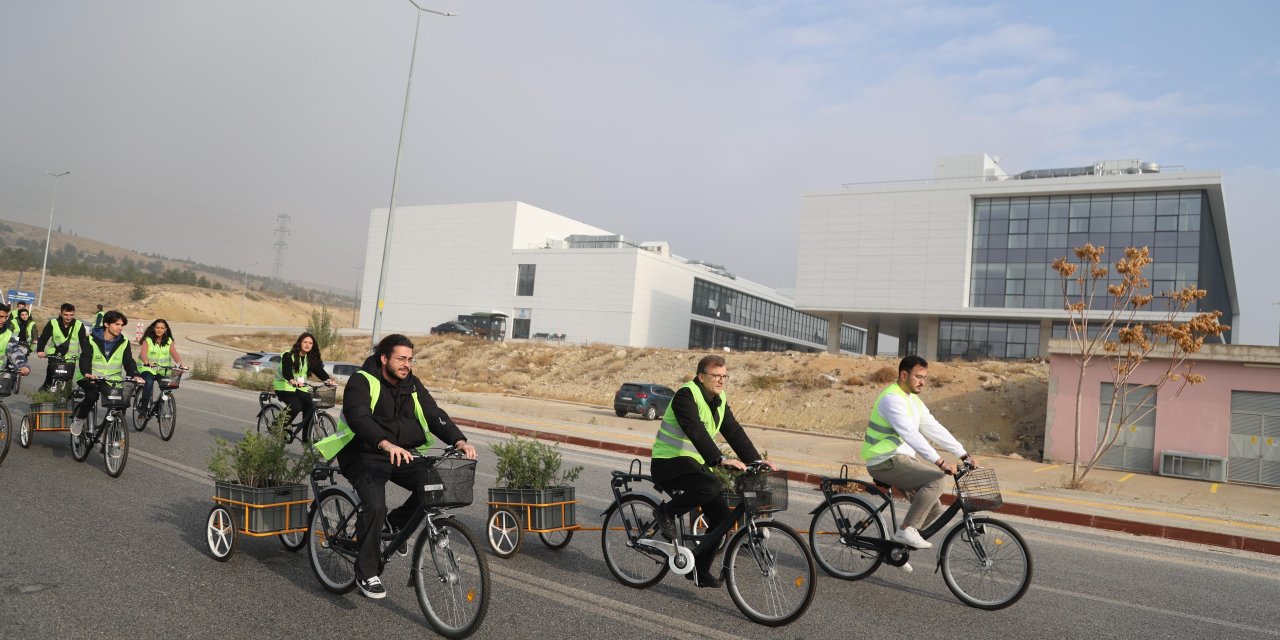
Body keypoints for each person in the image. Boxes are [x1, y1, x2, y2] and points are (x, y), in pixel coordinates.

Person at [314, 333, 477, 600]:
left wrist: (458, 440)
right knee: (375, 505)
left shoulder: (412, 384)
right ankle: (366, 573)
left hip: (399, 453)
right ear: (384, 358)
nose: (407, 364)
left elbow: (433, 413)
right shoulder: (361, 381)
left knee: (434, 486)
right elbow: (358, 416)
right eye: (401, 359)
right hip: (361, 453)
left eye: (410, 359)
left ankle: (392, 525)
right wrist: (385, 443)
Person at [650, 354, 777, 588]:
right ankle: (666, 512)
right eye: (716, 376)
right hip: (668, 462)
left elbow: (734, 431)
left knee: (721, 519)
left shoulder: (719, 399)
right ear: (701, 377)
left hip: (694, 466)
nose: (721, 380)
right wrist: (719, 459)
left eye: (724, 376)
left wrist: (756, 461)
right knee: (710, 485)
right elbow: (694, 429)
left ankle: (699, 570)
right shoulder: (686, 395)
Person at [861, 355, 973, 568]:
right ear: (904, 375)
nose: (923, 382)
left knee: (934, 508)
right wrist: (941, 463)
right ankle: (906, 530)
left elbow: (934, 428)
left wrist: (963, 454)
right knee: (938, 480)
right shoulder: (891, 399)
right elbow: (912, 435)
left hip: (901, 460)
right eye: (918, 377)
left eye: (925, 378)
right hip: (883, 460)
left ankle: (896, 549)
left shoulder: (913, 401)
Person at [70, 310, 144, 437]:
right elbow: (85, 358)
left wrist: (135, 374)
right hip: (89, 377)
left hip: (112, 379)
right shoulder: (91, 339)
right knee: (92, 396)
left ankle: (114, 432)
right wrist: (87, 372)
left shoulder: (124, 341)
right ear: (106, 324)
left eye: (122, 325)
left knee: (120, 403)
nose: (120, 328)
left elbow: (128, 361)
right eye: (117, 324)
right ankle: (79, 419)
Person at [272, 332, 336, 440]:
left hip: (300, 387)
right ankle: (278, 426)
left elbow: (319, 370)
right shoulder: (288, 355)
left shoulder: (309, 358)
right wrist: (292, 380)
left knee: (310, 407)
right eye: (305, 342)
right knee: (296, 406)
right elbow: (286, 371)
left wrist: (328, 380)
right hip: (283, 386)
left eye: (310, 343)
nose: (307, 344)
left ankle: (306, 440)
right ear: (299, 343)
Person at [136, 319, 185, 419]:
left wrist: (180, 364)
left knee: (166, 386)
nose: (159, 330)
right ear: (154, 328)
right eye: (157, 327)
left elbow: (174, 353)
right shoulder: (148, 340)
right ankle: (143, 409)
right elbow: (143, 353)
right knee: (149, 382)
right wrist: (146, 361)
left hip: (162, 369)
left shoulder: (169, 341)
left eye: (162, 328)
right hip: (147, 368)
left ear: (165, 330)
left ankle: (160, 407)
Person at [35, 303, 87, 392]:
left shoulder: (79, 325)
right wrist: (40, 350)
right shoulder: (53, 323)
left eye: (71, 315)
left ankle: (66, 401)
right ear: (61, 314)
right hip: (55, 356)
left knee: (68, 382)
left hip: (71, 358)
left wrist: (85, 355)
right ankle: (44, 392)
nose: (68, 317)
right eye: (66, 315)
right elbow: (43, 338)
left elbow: (84, 342)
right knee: (50, 378)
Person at [0, 304, 33, 391]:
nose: (3, 320)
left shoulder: (7, 334)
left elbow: (14, 352)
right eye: (0, 317)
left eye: (5, 317)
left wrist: (23, 365)